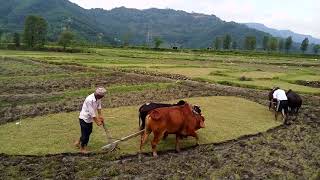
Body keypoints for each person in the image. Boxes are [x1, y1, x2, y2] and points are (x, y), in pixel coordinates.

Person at [74, 87, 106, 153]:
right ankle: (83, 148)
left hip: (89, 119)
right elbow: (92, 113)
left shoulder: (98, 98)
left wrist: (100, 115)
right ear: (98, 95)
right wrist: (97, 122)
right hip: (84, 118)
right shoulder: (89, 99)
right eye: (102, 96)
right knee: (85, 134)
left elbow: (99, 107)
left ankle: (78, 142)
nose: (102, 97)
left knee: (89, 131)